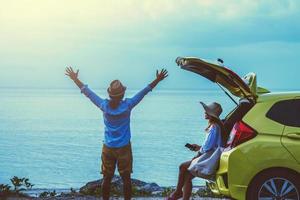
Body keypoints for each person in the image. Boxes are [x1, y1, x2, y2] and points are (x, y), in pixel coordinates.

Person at [65, 67, 168, 200]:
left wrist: (75, 79)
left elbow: (87, 92)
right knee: (126, 179)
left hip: (108, 147)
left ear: (109, 94)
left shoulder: (104, 105)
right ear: (122, 94)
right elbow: (144, 92)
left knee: (106, 178)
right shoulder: (128, 105)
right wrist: (158, 79)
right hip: (124, 147)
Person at [168, 102, 225, 200]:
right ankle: (182, 196)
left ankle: (178, 192)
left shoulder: (214, 127)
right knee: (187, 177)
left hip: (210, 159)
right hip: (210, 155)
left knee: (182, 166)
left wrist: (197, 154)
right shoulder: (216, 125)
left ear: (212, 114)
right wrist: (199, 147)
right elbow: (209, 146)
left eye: (207, 111)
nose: (205, 112)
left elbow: (207, 147)